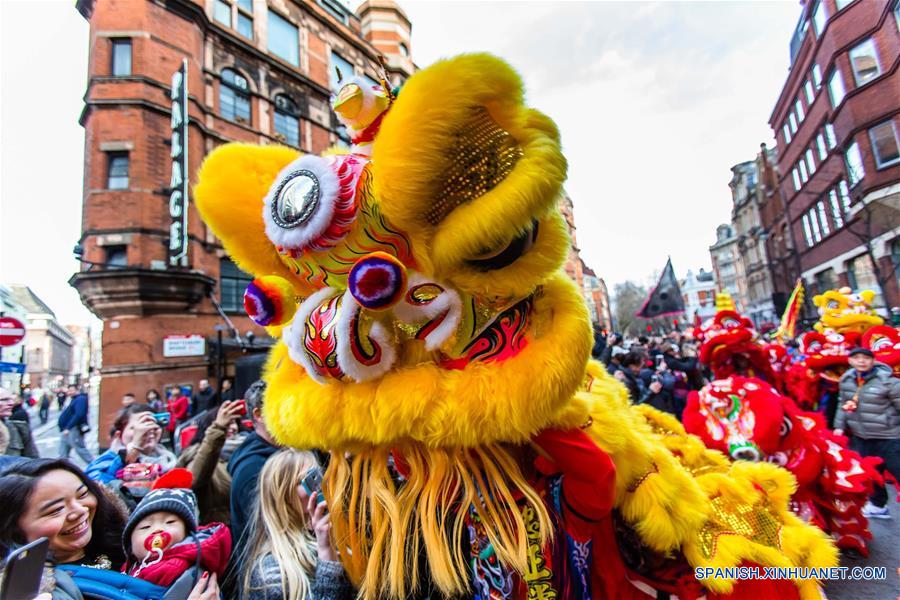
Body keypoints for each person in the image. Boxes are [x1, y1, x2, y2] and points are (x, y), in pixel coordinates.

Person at [241, 450, 353, 600]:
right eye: (307, 481)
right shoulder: (270, 573)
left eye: (318, 476)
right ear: (283, 497)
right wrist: (327, 557)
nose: (319, 487)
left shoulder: (332, 535)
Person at [0, 458, 128, 572]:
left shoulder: (128, 541)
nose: (80, 510)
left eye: (82, 494)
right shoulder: (36, 592)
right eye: (56, 509)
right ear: (13, 530)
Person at [122, 468, 231, 586]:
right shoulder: (134, 565)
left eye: (170, 522)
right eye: (145, 527)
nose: (157, 529)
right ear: (130, 547)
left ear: (188, 534)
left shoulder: (173, 568)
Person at [834, 347, 900, 520]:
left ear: (873, 360)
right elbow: (843, 404)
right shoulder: (846, 380)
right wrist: (838, 427)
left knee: (898, 469)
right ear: (850, 361)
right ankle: (879, 506)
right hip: (862, 436)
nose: (861, 361)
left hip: (889, 435)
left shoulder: (888, 381)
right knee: (872, 474)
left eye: (866, 358)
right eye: (857, 358)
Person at [85, 404, 176, 507]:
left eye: (152, 424)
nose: (148, 430)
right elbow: (95, 489)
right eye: (136, 427)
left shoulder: (168, 460)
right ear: (118, 435)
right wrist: (132, 452)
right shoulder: (107, 460)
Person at [177, 399, 247, 525]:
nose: (231, 427)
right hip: (221, 529)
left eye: (233, 422)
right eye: (227, 423)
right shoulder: (199, 454)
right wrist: (218, 429)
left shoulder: (246, 449)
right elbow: (194, 479)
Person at [228, 380, 280, 547]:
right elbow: (266, 533)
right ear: (259, 414)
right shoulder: (252, 468)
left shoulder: (283, 451)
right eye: (280, 405)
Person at [58, 384, 94, 464]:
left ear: (77, 390)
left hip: (74, 429)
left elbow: (79, 414)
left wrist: (68, 427)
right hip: (67, 429)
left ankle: (95, 465)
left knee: (80, 449)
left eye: (72, 390)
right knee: (63, 451)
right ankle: (62, 468)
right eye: (69, 390)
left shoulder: (80, 399)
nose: (70, 392)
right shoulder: (74, 399)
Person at [0, 387, 39, 457]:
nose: (11, 403)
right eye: (4, 400)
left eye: (11, 399)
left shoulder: (20, 429)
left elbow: (33, 463)